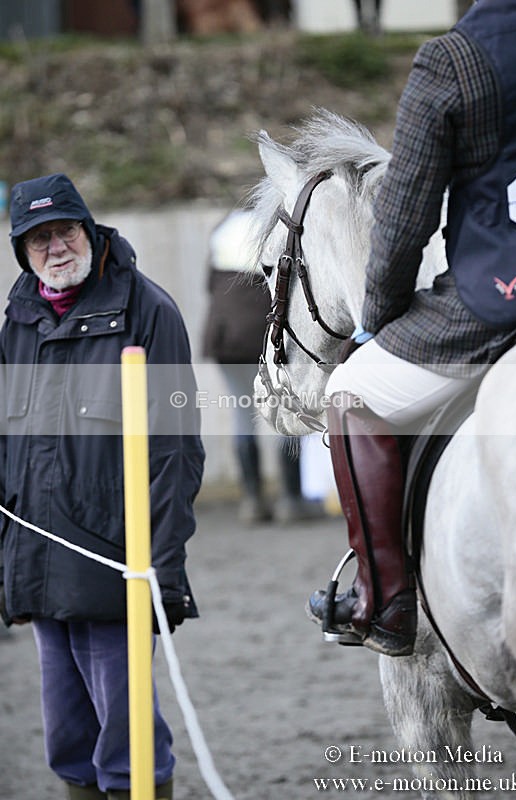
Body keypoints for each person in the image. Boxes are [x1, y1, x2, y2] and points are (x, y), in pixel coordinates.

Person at [308, 0, 516, 656]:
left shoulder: (451, 59)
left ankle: (384, 602)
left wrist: (376, 317)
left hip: (497, 289)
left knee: (351, 394)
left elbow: (405, 214)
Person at [0, 173, 205, 799]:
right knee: (67, 737)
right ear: (22, 252)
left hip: (116, 563)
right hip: (38, 563)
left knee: (128, 741)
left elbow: (175, 453)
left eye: (64, 231)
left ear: (88, 230)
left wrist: (160, 572)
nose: (55, 248)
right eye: (38, 240)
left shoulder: (149, 310)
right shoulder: (18, 321)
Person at [203, 208, 323, 524]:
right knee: (288, 409)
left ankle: (253, 501)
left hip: (225, 337)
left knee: (244, 415)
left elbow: (209, 285)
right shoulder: (277, 228)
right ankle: (290, 501)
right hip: (264, 334)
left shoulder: (224, 226)